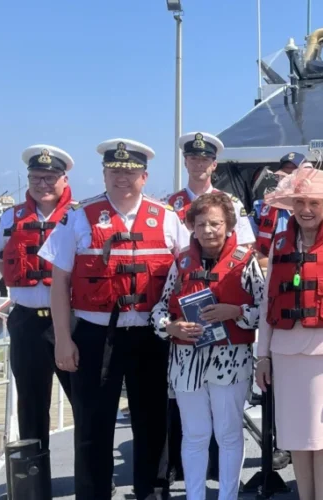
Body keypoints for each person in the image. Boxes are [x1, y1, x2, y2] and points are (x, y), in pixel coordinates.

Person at [40, 138, 188, 499]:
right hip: (95, 335)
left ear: (144, 176)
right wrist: (63, 339)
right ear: (104, 174)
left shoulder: (167, 218)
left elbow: (189, 272)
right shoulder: (78, 217)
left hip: (151, 336)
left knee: (153, 421)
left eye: (130, 172)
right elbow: (60, 283)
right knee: (92, 424)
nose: (122, 178)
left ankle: (152, 492)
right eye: (115, 171)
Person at [255, 166, 323, 500]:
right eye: (300, 202)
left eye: (314, 202)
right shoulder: (279, 244)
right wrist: (263, 356)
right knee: (297, 436)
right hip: (286, 354)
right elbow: (268, 302)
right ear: (291, 205)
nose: (306, 209)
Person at [151, 192, 264, 500]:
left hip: (231, 361)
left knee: (228, 434)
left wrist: (235, 311)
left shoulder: (246, 262)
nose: (208, 230)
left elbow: (265, 311)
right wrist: (170, 327)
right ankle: (195, 496)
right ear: (192, 226)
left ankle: (228, 496)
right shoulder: (181, 262)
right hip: (187, 362)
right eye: (201, 224)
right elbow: (159, 309)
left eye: (215, 223)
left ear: (228, 225)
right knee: (195, 434)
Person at [0, 145, 78, 453]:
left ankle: (88, 473)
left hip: (72, 321)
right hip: (27, 321)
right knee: (30, 403)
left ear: (64, 179)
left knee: (83, 400)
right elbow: (1, 259)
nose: (43, 184)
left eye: (50, 178)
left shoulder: (78, 216)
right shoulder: (10, 218)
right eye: (36, 178)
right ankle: (35, 475)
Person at [166, 131, 255, 244]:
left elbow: (245, 244)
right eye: (193, 158)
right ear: (185, 163)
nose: (199, 164)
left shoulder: (232, 204)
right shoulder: (168, 205)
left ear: (214, 165)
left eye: (205, 159)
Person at [252, 152, 304, 259]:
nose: (288, 179)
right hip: (268, 266)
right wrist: (269, 263)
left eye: (293, 174)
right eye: (284, 175)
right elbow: (247, 243)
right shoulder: (260, 207)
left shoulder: (317, 208)